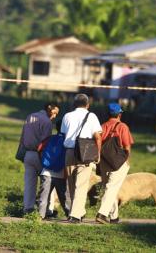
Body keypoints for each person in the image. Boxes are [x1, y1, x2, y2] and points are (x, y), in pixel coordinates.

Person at [61, 93, 102, 223]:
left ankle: (78, 211)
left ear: (74, 104)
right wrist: (98, 153)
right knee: (82, 185)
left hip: (69, 151)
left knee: (72, 185)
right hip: (86, 152)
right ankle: (76, 215)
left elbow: (63, 134)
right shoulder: (92, 116)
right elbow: (97, 136)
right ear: (87, 105)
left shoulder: (67, 116)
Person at [95, 103, 134, 224]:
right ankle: (102, 214)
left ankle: (114, 217)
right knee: (112, 188)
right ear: (120, 114)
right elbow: (127, 145)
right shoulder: (122, 126)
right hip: (118, 161)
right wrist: (127, 159)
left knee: (109, 187)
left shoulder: (102, 126)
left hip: (104, 161)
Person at [18, 103, 59, 215]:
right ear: (49, 109)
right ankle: (47, 209)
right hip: (40, 155)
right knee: (47, 182)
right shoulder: (47, 122)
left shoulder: (30, 116)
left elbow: (23, 135)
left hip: (28, 154)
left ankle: (28, 208)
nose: (55, 116)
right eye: (54, 113)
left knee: (29, 183)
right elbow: (45, 142)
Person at [38, 119, 71, 219]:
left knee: (44, 196)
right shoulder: (67, 140)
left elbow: (39, 148)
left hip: (46, 172)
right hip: (61, 173)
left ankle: (40, 216)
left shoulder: (50, 138)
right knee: (64, 197)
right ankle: (70, 214)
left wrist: (44, 161)